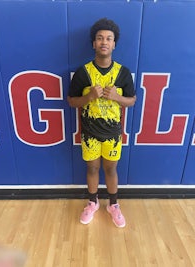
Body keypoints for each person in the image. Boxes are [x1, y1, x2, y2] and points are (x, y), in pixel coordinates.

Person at [68, 18, 136, 228]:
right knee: (92, 168)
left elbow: (132, 101)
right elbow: (71, 101)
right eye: (99, 38)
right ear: (93, 44)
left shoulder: (123, 73)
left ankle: (113, 205)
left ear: (114, 44)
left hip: (113, 134)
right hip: (89, 134)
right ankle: (92, 202)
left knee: (111, 170)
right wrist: (88, 97)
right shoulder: (83, 72)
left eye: (108, 38)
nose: (104, 42)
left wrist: (116, 97)